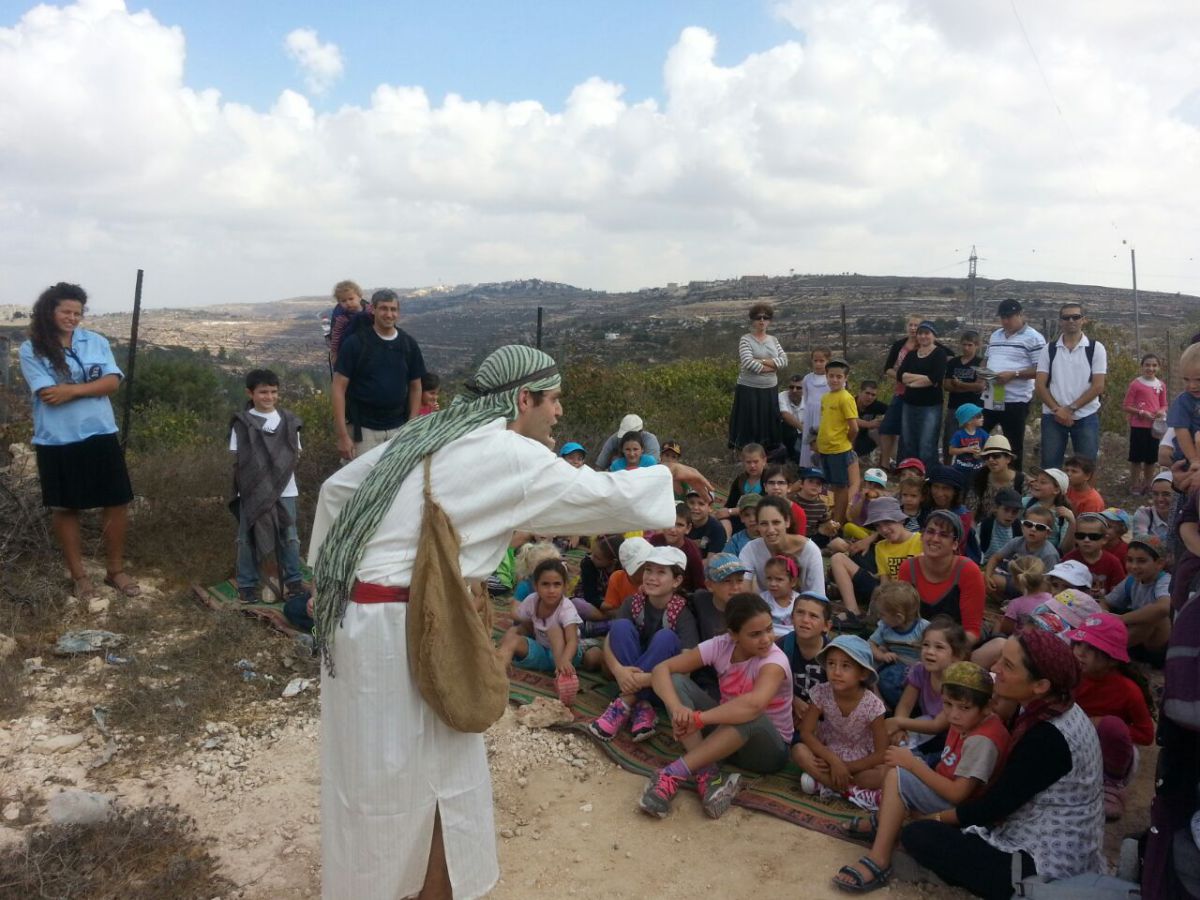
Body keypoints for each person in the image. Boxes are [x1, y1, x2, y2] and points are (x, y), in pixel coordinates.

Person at [307, 344, 706, 900]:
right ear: (524, 399)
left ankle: (384, 884)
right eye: (555, 400)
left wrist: (329, 578)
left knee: (376, 771)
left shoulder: (428, 434)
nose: (559, 413)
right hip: (410, 625)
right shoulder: (506, 452)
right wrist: (667, 473)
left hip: (358, 624)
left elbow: (336, 489)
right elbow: (597, 496)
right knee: (438, 768)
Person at [899, 629, 1105, 899]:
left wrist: (934, 818)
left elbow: (992, 807)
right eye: (1000, 659)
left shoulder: (1048, 737)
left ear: (1040, 685)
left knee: (919, 835)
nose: (995, 668)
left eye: (1007, 665)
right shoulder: (1049, 705)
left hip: (1046, 861)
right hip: (1039, 830)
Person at [832, 661, 1009, 894]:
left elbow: (959, 794)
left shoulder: (982, 740)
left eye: (964, 708)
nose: (954, 714)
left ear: (986, 707)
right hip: (945, 788)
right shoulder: (967, 720)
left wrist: (913, 766)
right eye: (947, 704)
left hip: (961, 810)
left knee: (898, 773)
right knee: (895, 762)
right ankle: (885, 820)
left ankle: (879, 859)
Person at [18, 281, 138, 602]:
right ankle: (80, 576)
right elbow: (47, 394)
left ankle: (115, 570)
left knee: (116, 499)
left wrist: (71, 389)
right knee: (66, 506)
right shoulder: (32, 349)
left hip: (100, 431)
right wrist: (89, 387)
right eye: (65, 311)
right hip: (57, 439)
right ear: (49, 311)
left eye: (77, 313)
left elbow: (112, 382)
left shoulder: (95, 341)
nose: (72, 318)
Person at [643, 593, 794, 819]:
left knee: (749, 714)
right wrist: (678, 711)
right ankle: (708, 773)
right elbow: (661, 670)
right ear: (733, 635)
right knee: (676, 682)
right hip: (725, 736)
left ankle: (672, 773)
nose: (766, 639)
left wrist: (699, 719)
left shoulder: (774, 661)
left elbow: (753, 706)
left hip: (767, 748)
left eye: (769, 629)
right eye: (755, 634)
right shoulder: (721, 645)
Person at [591, 546, 699, 743]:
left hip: (658, 686)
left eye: (661, 572)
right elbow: (609, 640)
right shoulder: (633, 602)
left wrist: (644, 680)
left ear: (676, 580)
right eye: (648, 570)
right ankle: (641, 707)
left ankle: (625, 704)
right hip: (626, 678)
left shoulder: (683, 614)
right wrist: (618, 671)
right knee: (621, 626)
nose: (651, 577)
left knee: (666, 637)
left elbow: (687, 667)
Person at [1068, 612, 1155, 821]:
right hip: (1075, 744)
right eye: (1078, 644)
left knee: (1112, 727)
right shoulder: (1070, 676)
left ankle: (1112, 785)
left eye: (1091, 649)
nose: (1080, 653)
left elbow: (1146, 734)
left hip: (1110, 752)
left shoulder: (1128, 690)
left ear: (1112, 660)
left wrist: (1099, 723)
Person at [228, 368, 304, 605]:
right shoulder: (242, 423)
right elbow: (239, 457)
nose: (268, 397)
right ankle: (248, 585)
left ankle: (294, 582)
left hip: (286, 489)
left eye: (273, 392)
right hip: (252, 491)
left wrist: (275, 476)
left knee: (289, 536)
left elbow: (293, 455)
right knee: (246, 537)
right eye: (263, 392)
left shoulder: (289, 421)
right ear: (250, 393)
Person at [332, 289, 426, 460]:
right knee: (360, 485)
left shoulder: (408, 344)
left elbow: (416, 386)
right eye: (383, 308)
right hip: (363, 431)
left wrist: (411, 424)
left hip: (399, 427)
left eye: (393, 309)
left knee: (397, 483)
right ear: (372, 309)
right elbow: (338, 388)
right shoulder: (355, 344)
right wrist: (343, 436)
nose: (389, 314)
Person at [793, 635, 889, 797]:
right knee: (798, 751)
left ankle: (825, 783)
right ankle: (847, 790)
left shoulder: (873, 705)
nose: (836, 672)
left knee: (883, 774)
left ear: (863, 674)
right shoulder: (821, 692)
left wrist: (845, 767)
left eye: (846, 666)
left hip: (859, 761)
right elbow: (806, 733)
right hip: (827, 752)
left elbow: (880, 753)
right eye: (831, 664)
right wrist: (833, 761)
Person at [497, 559, 604, 704]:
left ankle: (564, 678)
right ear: (536, 586)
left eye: (557, 584)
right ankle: (495, 678)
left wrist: (565, 660)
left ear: (565, 587)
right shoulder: (532, 601)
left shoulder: (566, 608)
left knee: (590, 657)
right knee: (512, 638)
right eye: (545, 584)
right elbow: (523, 622)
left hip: (568, 654)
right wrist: (513, 635)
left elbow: (572, 640)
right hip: (543, 651)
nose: (551, 590)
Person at [828, 496, 922, 625]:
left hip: (912, 595)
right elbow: (884, 582)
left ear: (900, 519)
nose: (883, 529)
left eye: (888, 522)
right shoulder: (881, 546)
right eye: (878, 526)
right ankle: (853, 612)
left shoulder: (920, 541)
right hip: (889, 593)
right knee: (837, 558)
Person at [1035, 303, 1107, 469]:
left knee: (1087, 467)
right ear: (1060, 321)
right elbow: (1040, 385)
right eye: (1066, 317)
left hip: (1085, 416)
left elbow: (1098, 386)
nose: (1071, 320)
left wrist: (1069, 410)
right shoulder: (1049, 349)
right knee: (1050, 467)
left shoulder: (1096, 349)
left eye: (1076, 316)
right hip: (1053, 417)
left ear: (1084, 320)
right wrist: (1057, 410)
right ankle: (1053, 496)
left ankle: (1084, 496)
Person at [895, 511, 986, 641]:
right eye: (930, 531)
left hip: (959, 643)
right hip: (919, 642)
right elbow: (903, 618)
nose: (935, 539)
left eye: (944, 535)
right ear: (922, 536)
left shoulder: (968, 571)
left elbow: (972, 631)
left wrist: (943, 653)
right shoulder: (908, 568)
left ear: (955, 544)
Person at [981, 298, 1046, 471]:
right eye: (1002, 317)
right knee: (982, 437)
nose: (1005, 321)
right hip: (993, 393)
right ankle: (984, 476)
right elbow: (987, 359)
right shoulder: (996, 335)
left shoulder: (1034, 338)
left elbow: (1040, 369)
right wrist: (982, 374)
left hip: (1015, 400)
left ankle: (1013, 482)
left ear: (1020, 314)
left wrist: (1014, 374)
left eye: (1009, 317)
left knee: (1012, 444)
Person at [887, 617, 969, 747]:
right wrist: (899, 729)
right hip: (926, 724)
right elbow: (905, 705)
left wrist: (899, 722)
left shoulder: (959, 682)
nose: (929, 652)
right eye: (926, 645)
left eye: (939, 647)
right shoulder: (920, 670)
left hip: (949, 735)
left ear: (956, 655)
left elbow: (937, 725)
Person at [738, 496, 826, 598]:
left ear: (787, 521)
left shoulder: (810, 550)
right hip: (764, 608)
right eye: (764, 524)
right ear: (757, 526)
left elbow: (818, 596)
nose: (770, 530)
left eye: (776, 522)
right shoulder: (751, 549)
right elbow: (742, 591)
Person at [729, 302, 788, 451]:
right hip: (749, 389)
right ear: (753, 320)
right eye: (758, 317)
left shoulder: (774, 340)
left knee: (768, 425)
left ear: (769, 320)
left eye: (765, 317)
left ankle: (767, 458)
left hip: (769, 389)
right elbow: (748, 363)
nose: (762, 321)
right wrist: (772, 366)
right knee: (749, 426)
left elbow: (784, 361)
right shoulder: (745, 339)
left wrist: (761, 361)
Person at [1104, 533, 1172, 658]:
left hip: (1161, 646)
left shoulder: (1165, 580)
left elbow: (1163, 608)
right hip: (1137, 639)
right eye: (1130, 560)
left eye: (1142, 561)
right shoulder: (1132, 580)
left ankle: (1107, 651)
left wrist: (1121, 619)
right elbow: (1107, 602)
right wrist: (1104, 615)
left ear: (1159, 564)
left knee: (1156, 618)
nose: (1134, 566)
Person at [896, 321, 950, 469]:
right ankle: (909, 474)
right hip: (909, 403)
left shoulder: (939, 354)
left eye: (927, 333)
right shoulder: (912, 354)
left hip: (930, 406)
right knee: (908, 441)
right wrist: (923, 379)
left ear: (933, 336)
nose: (923, 336)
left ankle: (928, 475)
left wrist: (911, 381)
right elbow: (901, 375)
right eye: (920, 333)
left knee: (927, 443)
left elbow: (935, 378)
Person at [869, 582, 930, 708]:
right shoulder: (884, 627)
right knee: (874, 673)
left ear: (899, 618)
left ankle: (911, 707)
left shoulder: (923, 629)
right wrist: (881, 655)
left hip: (918, 667)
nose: (879, 618)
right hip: (894, 663)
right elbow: (871, 644)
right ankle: (883, 703)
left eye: (882, 614)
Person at [982, 505, 1059, 599]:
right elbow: (995, 558)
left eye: (1040, 527)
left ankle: (1019, 603)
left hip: (1034, 589)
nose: (1033, 529)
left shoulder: (1049, 554)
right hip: (1015, 580)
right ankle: (1004, 601)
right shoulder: (1017, 541)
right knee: (983, 577)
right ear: (1022, 527)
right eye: (1028, 524)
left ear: (1048, 533)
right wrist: (987, 576)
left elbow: (1048, 585)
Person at [818, 358, 860, 525]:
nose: (834, 380)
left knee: (841, 487)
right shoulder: (826, 397)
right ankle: (834, 517)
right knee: (832, 487)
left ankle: (838, 523)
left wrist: (845, 443)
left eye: (839, 377)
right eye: (831, 376)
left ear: (845, 378)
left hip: (839, 450)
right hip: (825, 449)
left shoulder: (846, 398)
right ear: (826, 376)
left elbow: (854, 428)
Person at [778, 592, 832, 720]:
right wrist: (792, 699)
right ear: (792, 617)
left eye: (813, 616)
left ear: (826, 626)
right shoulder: (782, 647)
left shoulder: (833, 653)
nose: (805, 620)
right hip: (788, 713)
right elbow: (769, 683)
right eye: (800, 613)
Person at [879, 315, 922, 469]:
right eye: (910, 325)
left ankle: (904, 467)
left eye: (916, 325)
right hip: (900, 393)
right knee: (886, 428)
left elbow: (947, 355)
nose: (913, 328)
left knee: (907, 433)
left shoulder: (928, 345)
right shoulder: (899, 345)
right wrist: (901, 377)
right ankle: (884, 464)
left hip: (918, 396)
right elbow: (887, 368)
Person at [1124, 353, 1168, 494]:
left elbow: (1164, 404)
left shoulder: (1161, 385)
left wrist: (1161, 411)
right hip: (1138, 427)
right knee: (1136, 458)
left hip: (1154, 428)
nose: (1151, 368)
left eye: (1154, 365)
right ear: (1142, 366)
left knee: (1151, 459)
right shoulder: (1136, 384)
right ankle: (1135, 484)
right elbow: (1126, 406)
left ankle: (1148, 484)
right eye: (1147, 365)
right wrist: (1142, 413)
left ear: (1159, 367)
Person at [942, 330, 986, 463]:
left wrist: (959, 385)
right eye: (964, 345)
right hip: (954, 407)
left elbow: (980, 386)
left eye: (970, 345)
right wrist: (967, 387)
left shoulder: (981, 363)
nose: (966, 348)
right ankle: (947, 467)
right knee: (950, 440)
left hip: (973, 410)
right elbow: (946, 385)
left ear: (977, 345)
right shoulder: (953, 362)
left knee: (972, 441)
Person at [1062, 514, 1126, 599]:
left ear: (1104, 539)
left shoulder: (1113, 562)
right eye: (1081, 536)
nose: (1086, 540)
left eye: (1093, 537)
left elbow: (1118, 593)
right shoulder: (1068, 560)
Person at [648, 504, 706, 593]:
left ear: (688, 528)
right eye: (670, 523)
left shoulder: (692, 553)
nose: (673, 529)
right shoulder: (655, 541)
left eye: (679, 525)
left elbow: (699, 585)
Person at [972, 434, 1025, 520]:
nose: (990, 460)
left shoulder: (1022, 481)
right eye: (987, 456)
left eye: (996, 455)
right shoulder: (979, 477)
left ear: (1008, 459)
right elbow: (971, 514)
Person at [327, 279, 371, 367]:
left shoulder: (370, 311)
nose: (348, 303)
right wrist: (335, 353)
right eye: (343, 301)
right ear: (339, 303)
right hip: (351, 351)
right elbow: (336, 337)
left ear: (359, 297)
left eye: (351, 299)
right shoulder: (342, 318)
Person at [800, 347, 832, 467]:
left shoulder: (831, 379)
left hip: (825, 415)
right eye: (815, 360)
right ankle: (808, 468)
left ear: (827, 361)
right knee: (810, 442)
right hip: (810, 415)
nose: (818, 364)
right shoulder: (807, 378)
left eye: (821, 361)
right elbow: (806, 397)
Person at [974, 487, 1023, 564]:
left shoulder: (1018, 528)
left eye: (1014, 512)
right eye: (1006, 510)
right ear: (996, 508)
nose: (1010, 515)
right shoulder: (985, 526)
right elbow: (975, 551)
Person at [594, 413, 661, 470]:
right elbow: (600, 465)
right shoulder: (615, 438)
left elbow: (652, 467)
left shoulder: (650, 440)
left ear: (640, 431)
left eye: (635, 449)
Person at [760, 555, 802, 636]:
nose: (772, 583)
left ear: (793, 581)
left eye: (779, 579)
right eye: (769, 578)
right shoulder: (762, 600)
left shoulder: (799, 601)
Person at [853, 380, 889, 464]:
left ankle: (885, 461)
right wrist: (868, 424)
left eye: (873, 395)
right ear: (860, 392)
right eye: (867, 393)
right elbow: (848, 419)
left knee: (882, 429)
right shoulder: (850, 402)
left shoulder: (877, 405)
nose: (870, 397)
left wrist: (883, 420)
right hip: (848, 439)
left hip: (865, 440)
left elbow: (893, 413)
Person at [1133, 470, 1175, 543]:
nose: (1160, 499)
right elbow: (1141, 543)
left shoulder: (1186, 517)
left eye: (1166, 494)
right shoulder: (1144, 514)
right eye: (1155, 494)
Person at [947, 403, 988, 477]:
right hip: (960, 469)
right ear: (969, 421)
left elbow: (989, 445)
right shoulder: (959, 435)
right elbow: (951, 451)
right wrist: (966, 449)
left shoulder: (982, 433)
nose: (982, 417)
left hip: (977, 469)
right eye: (979, 416)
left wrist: (981, 453)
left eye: (982, 414)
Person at [684, 489, 728, 556]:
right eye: (691, 503)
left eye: (701, 504)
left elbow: (711, 560)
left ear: (710, 507)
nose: (695, 507)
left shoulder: (717, 529)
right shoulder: (680, 521)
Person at [779, 373, 806, 462]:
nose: (794, 390)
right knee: (788, 427)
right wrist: (803, 429)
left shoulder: (809, 399)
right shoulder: (782, 396)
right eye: (791, 387)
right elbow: (785, 415)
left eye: (798, 388)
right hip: (789, 435)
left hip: (804, 434)